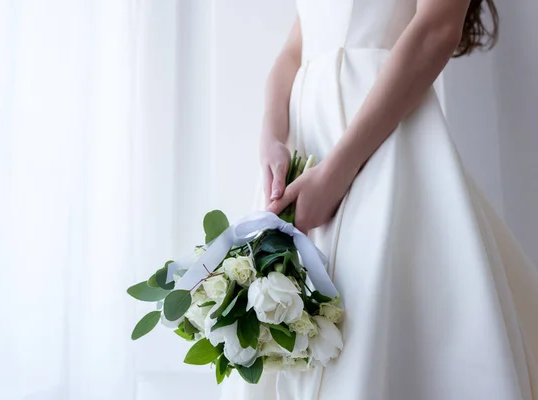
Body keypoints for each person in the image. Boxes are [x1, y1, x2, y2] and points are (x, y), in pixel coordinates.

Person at [221, 0, 538, 399]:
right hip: (304, 152)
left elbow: (437, 29)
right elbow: (292, 53)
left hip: (383, 147)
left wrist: (339, 171)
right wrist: (271, 138)